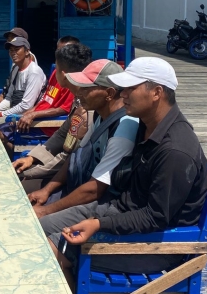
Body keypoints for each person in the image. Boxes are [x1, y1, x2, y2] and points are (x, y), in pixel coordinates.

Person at [44, 57, 207, 288]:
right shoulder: (146, 125)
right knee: (36, 228)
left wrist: (99, 225)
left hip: (157, 245)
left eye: (130, 88)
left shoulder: (175, 149)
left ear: (157, 93)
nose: (123, 95)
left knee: (52, 249)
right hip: (118, 213)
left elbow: (155, 217)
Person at [29, 59, 139, 219]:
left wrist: (47, 211)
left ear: (109, 94)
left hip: (105, 204)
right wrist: (46, 190)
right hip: (82, 187)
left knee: (39, 221)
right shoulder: (99, 116)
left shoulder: (124, 128)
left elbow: (95, 189)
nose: (79, 93)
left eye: (87, 89)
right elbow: (76, 155)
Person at [12, 44, 93, 190]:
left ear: (62, 74)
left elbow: (68, 156)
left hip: (75, 176)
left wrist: (31, 171)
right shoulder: (78, 98)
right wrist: (32, 157)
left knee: (20, 185)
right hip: (63, 165)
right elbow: (62, 134)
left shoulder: (86, 108)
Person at [0, 37, 78, 158]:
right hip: (36, 117)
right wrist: (30, 112)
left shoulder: (72, 79)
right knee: (1, 129)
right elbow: (45, 98)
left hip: (47, 125)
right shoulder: (56, 71)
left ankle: (20, 163)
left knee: (1, 132)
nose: (61, 55)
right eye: (58, 52)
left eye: (66, 51)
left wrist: (33, 114)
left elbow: (64, 109)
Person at [0, 37, 46, 157]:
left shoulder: (34, 72)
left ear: (27, 51)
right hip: (14, 111)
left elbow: (26, 106)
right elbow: (9, 97)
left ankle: (10, 157)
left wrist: (1, 115)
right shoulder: (16, 68)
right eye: (11, 50)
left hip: (24, 116)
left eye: (17, 49)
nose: (13, 53)